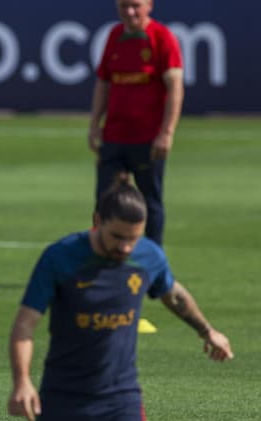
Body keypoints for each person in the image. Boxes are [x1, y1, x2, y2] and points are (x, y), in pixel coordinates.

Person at [7, 182, 233, 421]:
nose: (125, 247)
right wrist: (22, 381)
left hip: (121, 400)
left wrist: (207, 331)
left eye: (133, 238)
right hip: (62, 399)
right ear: (97, 220)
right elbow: (25, 326)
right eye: (117, 236)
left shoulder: (149, 256)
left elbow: (174, 294)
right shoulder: (60, 258)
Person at [88, 0, 184, 245]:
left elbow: (175, 88)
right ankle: (100, 255)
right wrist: (94, 125)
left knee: (150, 201)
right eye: (123, 6)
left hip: (147, 138)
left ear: (149, 5)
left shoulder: (162, 37)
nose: (129, 12)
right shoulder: (115, 35)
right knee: (104, 199)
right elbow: (104, 84)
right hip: (114, 135)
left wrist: (167, 133)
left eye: (135, 6)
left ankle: (153, 261)